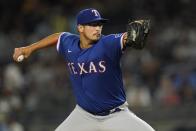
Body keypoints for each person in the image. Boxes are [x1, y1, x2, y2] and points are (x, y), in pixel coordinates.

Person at [13, 8, 155, 131]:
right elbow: (58, 37)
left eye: (99, 24)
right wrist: (29, 48)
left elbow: (124, 38)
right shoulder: (69, 44)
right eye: (92, 25)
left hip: (116, 114)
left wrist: (133, 34)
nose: (97, 28)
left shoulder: (108, 44)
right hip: (83, 115)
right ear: (80, 28)